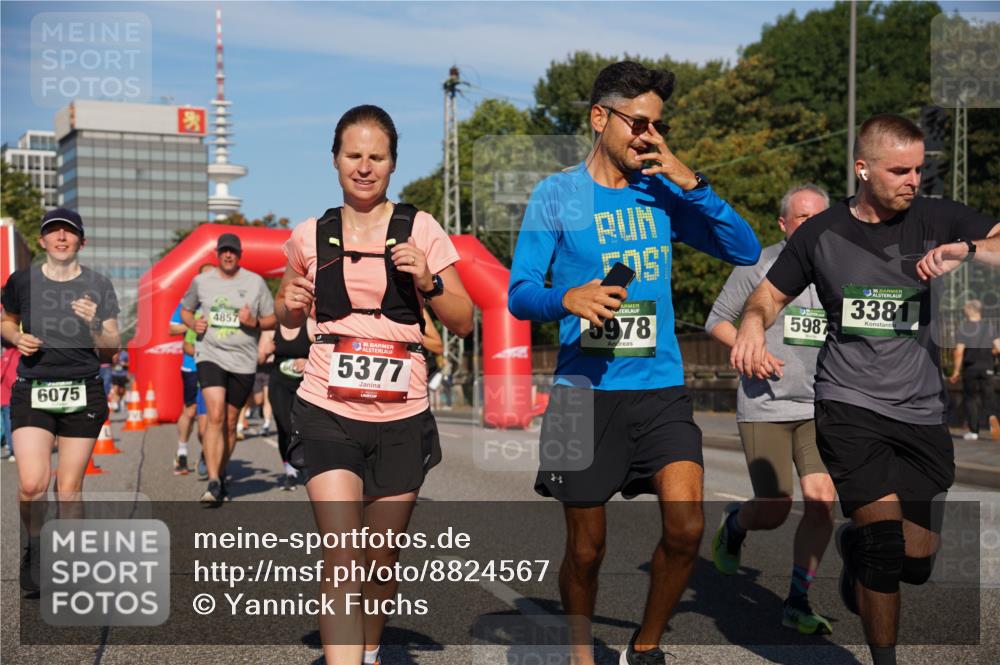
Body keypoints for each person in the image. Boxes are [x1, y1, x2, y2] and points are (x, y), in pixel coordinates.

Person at [508, 61, 760, 665]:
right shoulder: (556, 195)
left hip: (660, 387)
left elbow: (746, 250)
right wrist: (567, 298)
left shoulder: (662, 192)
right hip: (580, 395)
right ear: (600, 118)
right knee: (586, 550)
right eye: (638, 122)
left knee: (687, 528)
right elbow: (519, 294)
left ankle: (644, 648)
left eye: (658, 126)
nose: (649, 135)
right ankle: (579, 652)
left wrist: (691, 181)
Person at [732, 113, 1000, 665]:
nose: (913, 180)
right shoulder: (821, 233)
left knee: (916, 560)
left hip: (922, 409)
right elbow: (767, 297)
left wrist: (966, 251)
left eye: (918, 169)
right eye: (899, 170)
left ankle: (851, 545)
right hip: (849, 404)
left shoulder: (937, 217)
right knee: (883, 546)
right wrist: (753, 326)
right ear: (862, 169)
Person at [276, 104, 473, 665]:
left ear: (392, 163)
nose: (364, 167)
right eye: (354, 155)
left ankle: (368, 650)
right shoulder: (309, 235)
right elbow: (287, 316)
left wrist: (429, 280)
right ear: (335, 160)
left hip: (402, 413)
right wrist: (288, 303)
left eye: (377, 157)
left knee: (380, 560)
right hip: (327, 407)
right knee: (342, 555)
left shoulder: (422, 228)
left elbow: (464, 321)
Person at [705, 184, 836, 634]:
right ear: (784, 223)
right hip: (766, 404)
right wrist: (749, 345)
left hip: (820, 406)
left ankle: (798, 601)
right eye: (803, 217)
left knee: (822, 500)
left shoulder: (840, 266)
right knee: (776, 507)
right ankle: (735, 525)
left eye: (820, 217)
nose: (813, 225)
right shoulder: (757, 264)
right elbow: (717, 319)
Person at [0, 208, 120, 594]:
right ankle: (35, 548)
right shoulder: (22, 281)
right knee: (32, 483)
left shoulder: (98, 285)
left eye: (69, 232)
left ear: (82, 241)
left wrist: (95, 323)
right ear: (43, 241)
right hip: (33, 389)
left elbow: (111, 349)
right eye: (54, 232)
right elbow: (6, 321)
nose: (62, 238)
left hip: (83, 390)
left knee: (68, 489)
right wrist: (16, 338)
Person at [181, 233, 276, 505]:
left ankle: (221, 472)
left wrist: (253, 321)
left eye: (232, 251)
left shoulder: (255, 282)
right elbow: (186, 310)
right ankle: (212, 481)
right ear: (218, 254)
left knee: (231, 422)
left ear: (239, 255)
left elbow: (271, 319)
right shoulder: (202, 281)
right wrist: (193, 324)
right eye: (224, 251)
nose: (228, 255)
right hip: (210, 354)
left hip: (243, 359)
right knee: (215, 414)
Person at [267, 318, 316, 490]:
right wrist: (265, 352)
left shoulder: (310, 325)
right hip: (279, 384)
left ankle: (306, 464)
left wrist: (308, 360)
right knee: (284, 427)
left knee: (303, 428)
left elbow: (326, 353)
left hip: (304, 384)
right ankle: (290, 471)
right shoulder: (272, 327)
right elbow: (258, 357)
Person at [948, 299, 1000, 440]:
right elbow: (999, 348)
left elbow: (959, 352)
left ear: (968, 311)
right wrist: (991, 352)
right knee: (989, 396)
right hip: (987, 367)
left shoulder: (964, 328)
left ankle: (974, 431)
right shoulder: (989, 327)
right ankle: (992, 418)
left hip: (970, 368)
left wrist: (956, 371)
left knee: (971, 398)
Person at [1, 339, 20, 460]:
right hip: (13, 395)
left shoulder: (10, 354)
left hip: (8, 396)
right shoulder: (19, 353)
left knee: (9, 423)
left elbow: (5, 374)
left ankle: (13, 450)